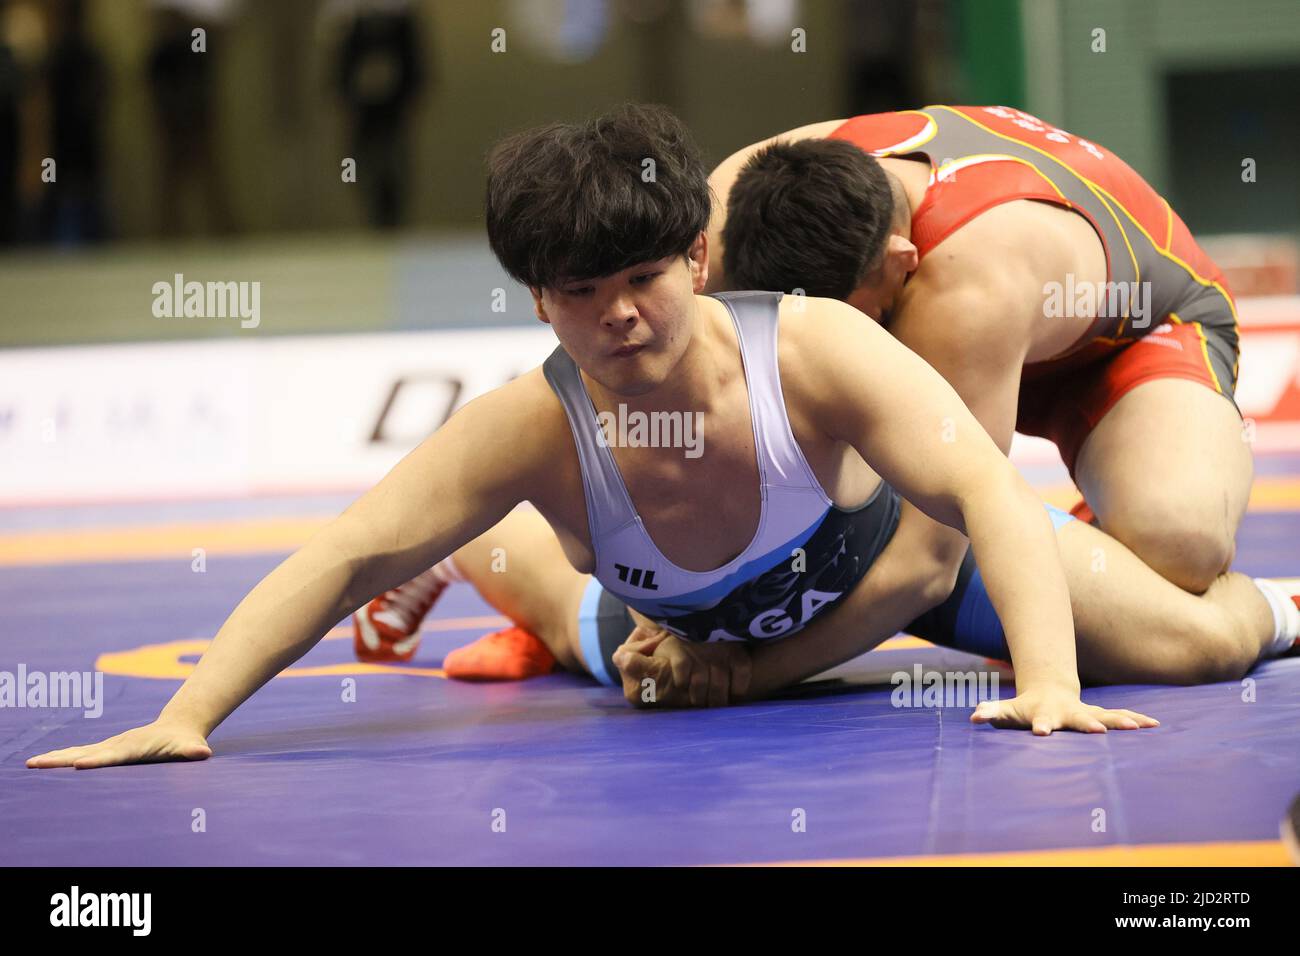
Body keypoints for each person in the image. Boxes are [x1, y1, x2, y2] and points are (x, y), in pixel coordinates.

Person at [26, 104, 1295, 770]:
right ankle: (487, 557)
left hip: (875, 574)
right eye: (580, 296)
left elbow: (977, 489)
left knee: (1186, 638)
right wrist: (190, 717)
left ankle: (1286, 608)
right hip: (675, 634)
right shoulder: (530, 417)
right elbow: (343, 554)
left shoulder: (811, 341)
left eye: (643, 276)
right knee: (599, 634)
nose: (621, 318)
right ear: (536, 298)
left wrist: (1049, 685)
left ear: (699, 253)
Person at [706, 105, 1250, 601]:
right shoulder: (726, 209)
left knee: (1179, 543)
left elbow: (928, 566)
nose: (845, 335)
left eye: (858, 314)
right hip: (1000, 326)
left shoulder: (965, 287)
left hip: (1130, 340)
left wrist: (747, 672)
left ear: (902, 257)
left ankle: (1258, 609)